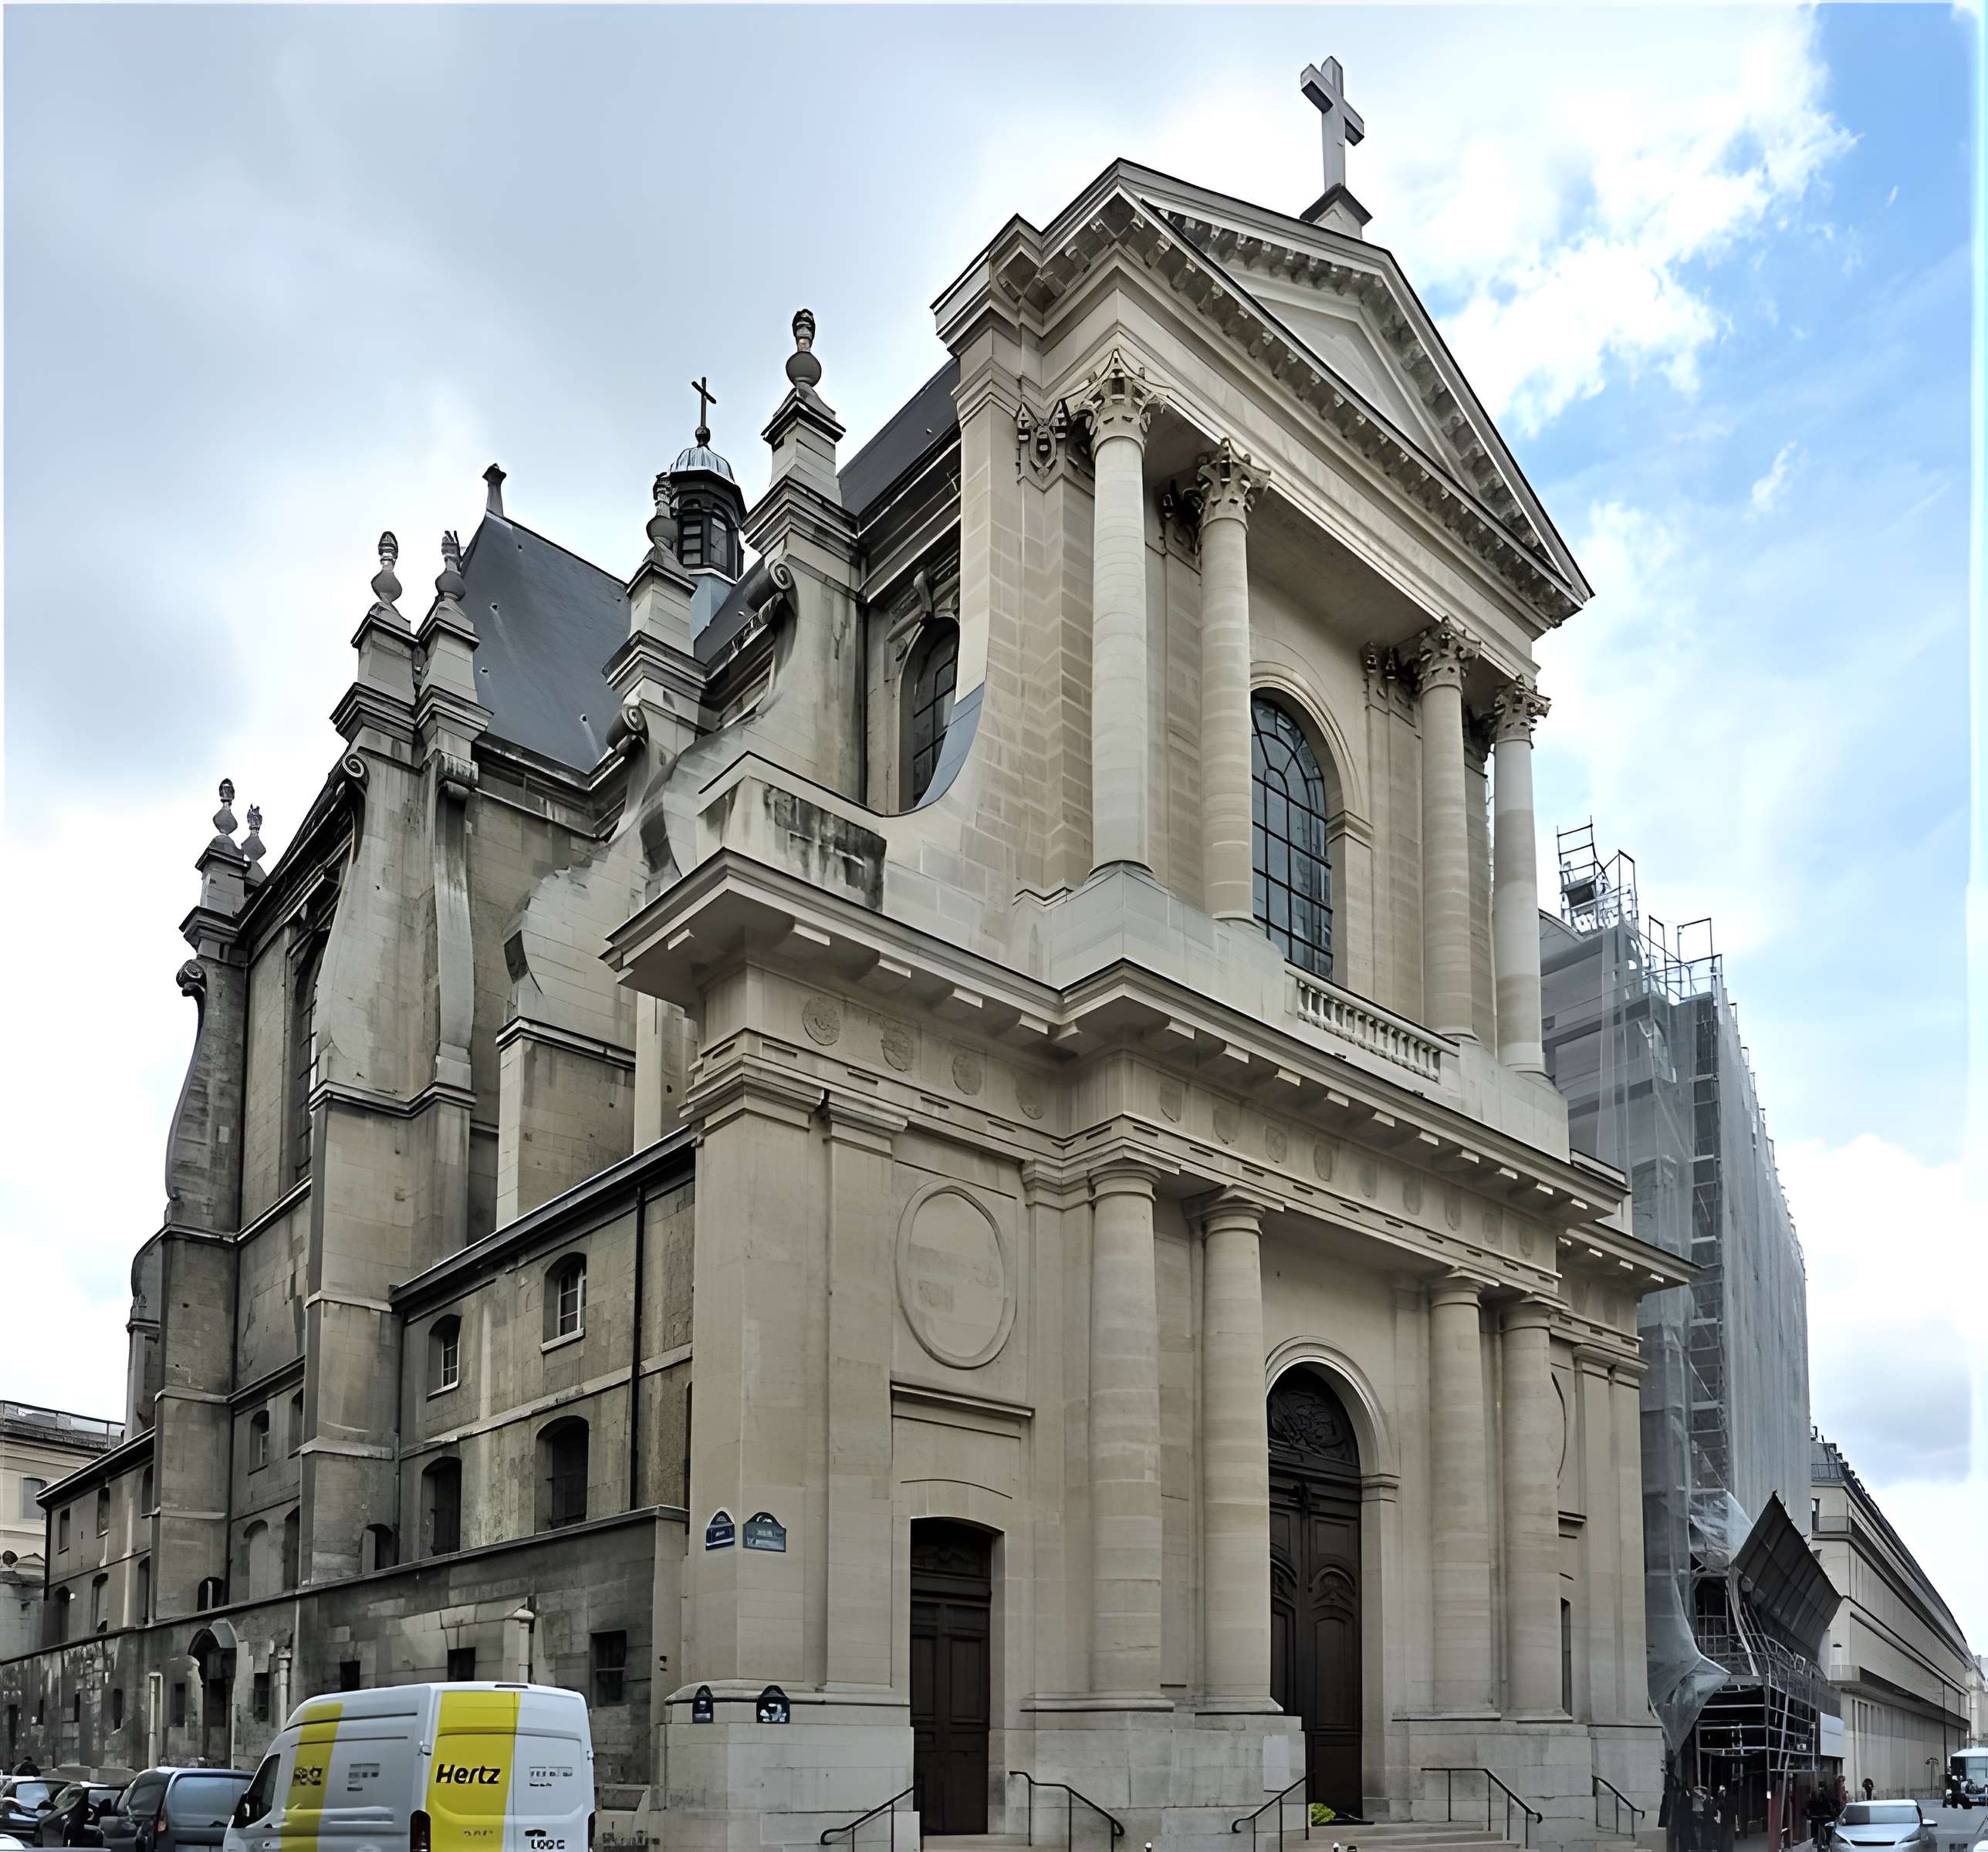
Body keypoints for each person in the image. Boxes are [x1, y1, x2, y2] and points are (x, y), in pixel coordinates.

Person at [1806, 1779, 1838, 1851]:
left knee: (1821, 1830)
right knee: (1823, 1829)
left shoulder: (1818, 1794)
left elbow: (1810, 1804)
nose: (1821, 1790)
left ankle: (1822, 1843)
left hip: (1819, 1817)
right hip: (1823, 1817)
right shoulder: (1825, 1794)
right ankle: (1824, 1843)